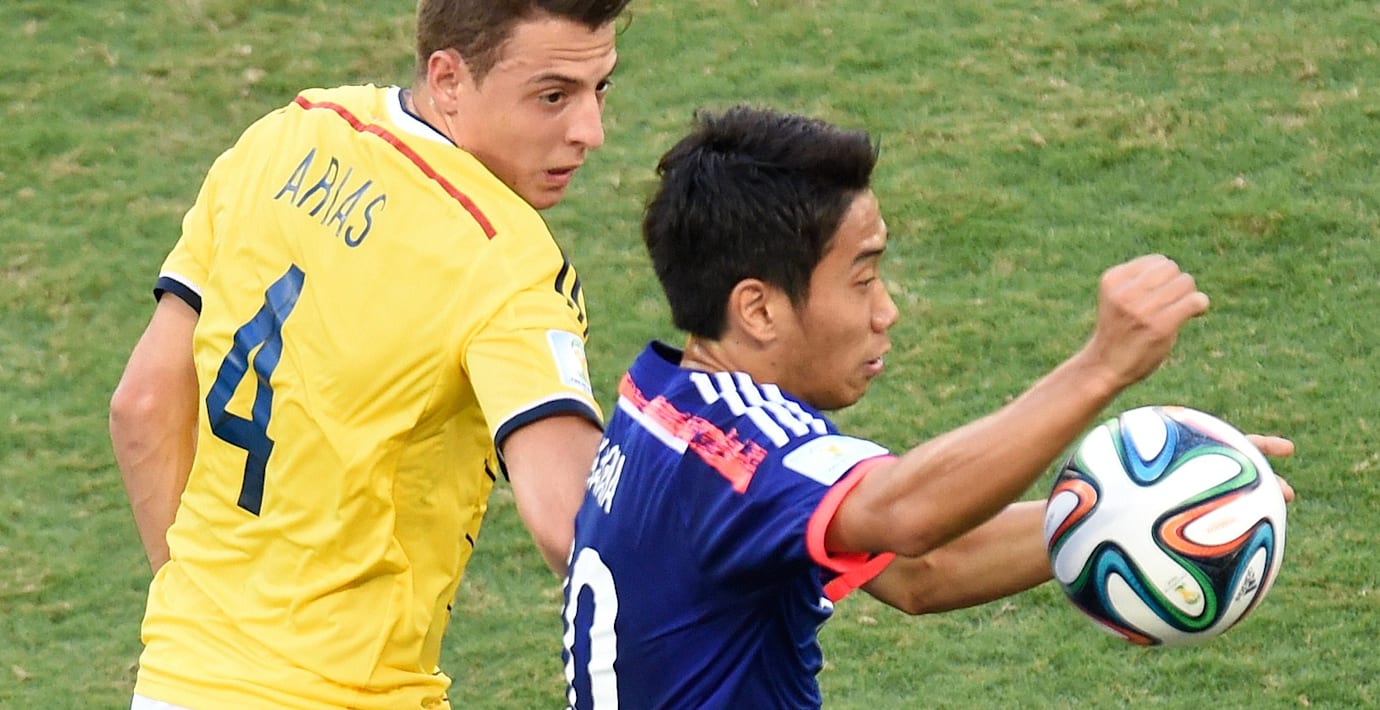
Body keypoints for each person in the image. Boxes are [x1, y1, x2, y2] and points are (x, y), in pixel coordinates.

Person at [558, 105, 1296, 708]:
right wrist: (1099, 367)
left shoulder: (660, 404)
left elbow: (923, 568)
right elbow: (908, 515)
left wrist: (1146, 506)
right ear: (758, 309)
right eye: (862, 279)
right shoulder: (745, 453)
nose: (887, 311)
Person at [108, 1, 633, 707]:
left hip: (181, 679)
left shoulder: (287, 135)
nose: (590, 131)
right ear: (448, 78)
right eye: (553, 96)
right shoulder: (506, 263)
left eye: (600, 88)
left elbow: (142, 406)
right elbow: (575, 523)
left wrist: (207, 628)